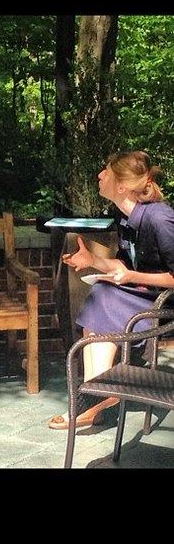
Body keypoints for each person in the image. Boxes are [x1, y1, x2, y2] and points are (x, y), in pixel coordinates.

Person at [48, 150, 174, 429]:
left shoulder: (159, 219)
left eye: (106, 171)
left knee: (103, 297)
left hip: (164, 301)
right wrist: (93, 261)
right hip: (142, 291)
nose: (99, 175)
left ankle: (96, 397)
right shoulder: (124, 216)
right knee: (100, 295)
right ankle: (97, 395)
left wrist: (132, 276)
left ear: (121, 186)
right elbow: (125, 264)